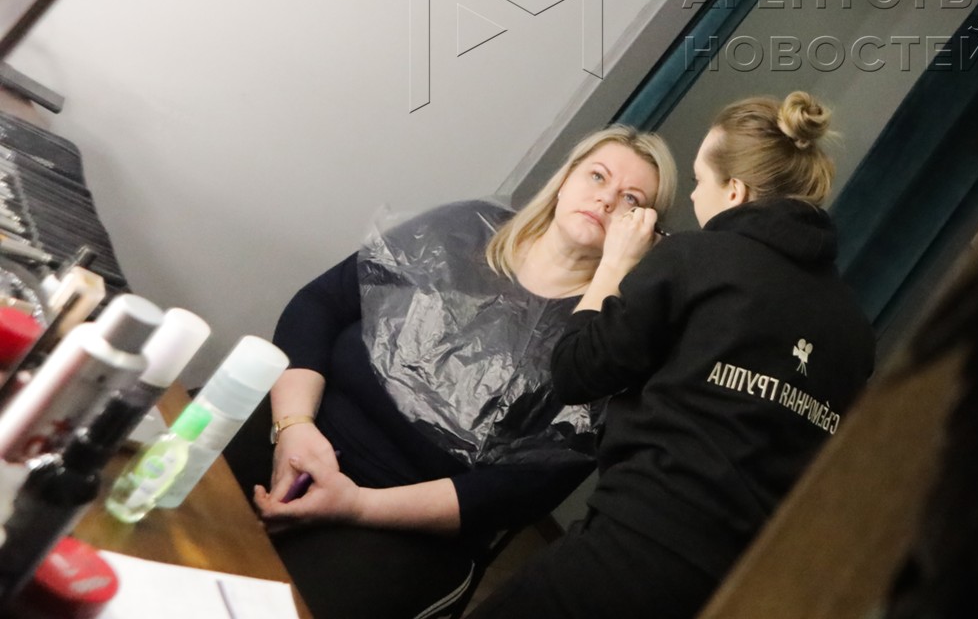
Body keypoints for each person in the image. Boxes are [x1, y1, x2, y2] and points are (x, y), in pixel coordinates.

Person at [223, 126, 678, 619]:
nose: (606, 199)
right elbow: (319, 305)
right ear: (565, 179)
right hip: (300, 426)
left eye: (631, 200)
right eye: (597, 176)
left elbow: (521, 492)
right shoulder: (462, 230)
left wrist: (357, 505)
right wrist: (293, 426)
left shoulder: (607, 344)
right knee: (173, 490)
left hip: (400, 522)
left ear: (646, 233)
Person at [468, 92, 877, 619]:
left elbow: (575, 370)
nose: (695, 198)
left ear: (734, 190)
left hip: (629, 551)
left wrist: (614, 265)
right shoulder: (854, 332)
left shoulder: (697, 258)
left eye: (700, 181)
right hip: (741, 589)